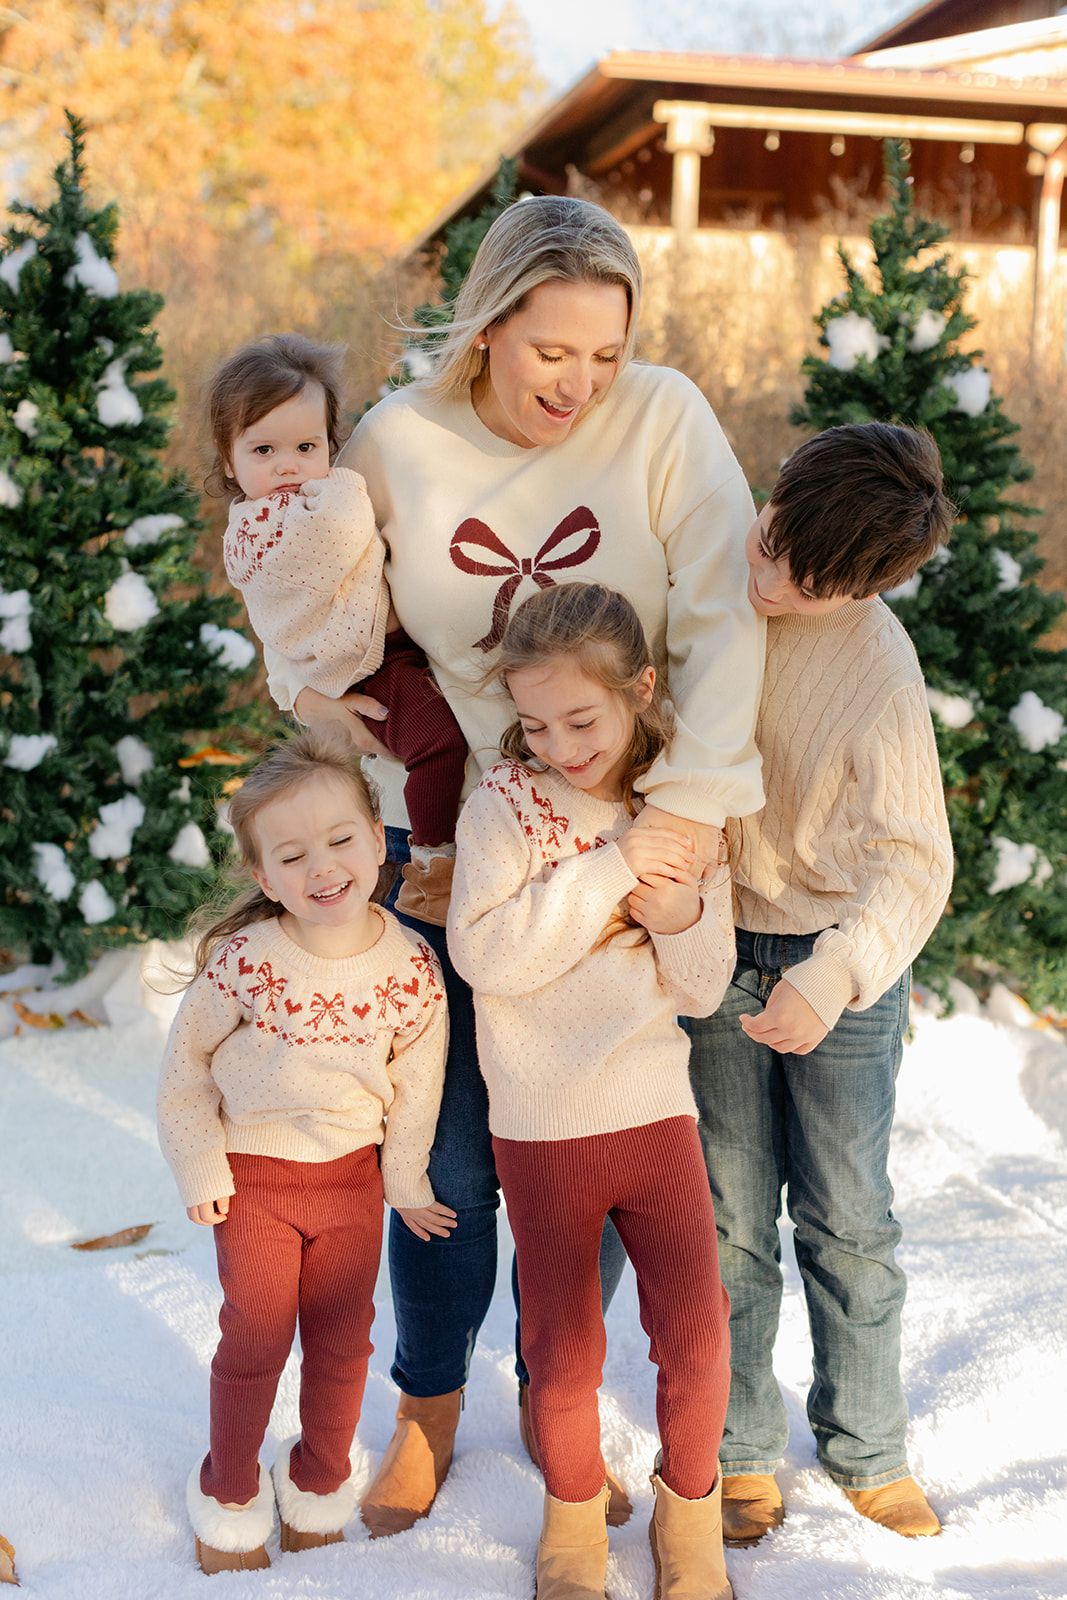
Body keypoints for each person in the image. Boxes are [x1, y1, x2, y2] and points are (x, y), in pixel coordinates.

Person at [260, 194, 765, 1537]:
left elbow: (717, 620)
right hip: (455, 848)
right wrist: (300, 685)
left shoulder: (661, 420)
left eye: (603, 356)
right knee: (446, 1155)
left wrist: (690, 818)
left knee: (604, 1148)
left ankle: (560, 1390)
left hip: (627, 833)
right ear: (486, 326)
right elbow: (312, 593)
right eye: (552, 352)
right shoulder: (396, 443)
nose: (579, 385)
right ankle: (427, 1404)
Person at [685, 422, 955, 1547]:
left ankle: (866, 1443)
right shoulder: (708, 583)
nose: (767, 576)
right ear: (778, 480)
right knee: (726, 1217)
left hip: (836, 957)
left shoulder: (876, 668)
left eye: (801, 579)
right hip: (710, 953)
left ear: (865, 586)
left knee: (844, 1218)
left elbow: (914, 863)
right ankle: (739, 1448)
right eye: (769, 538)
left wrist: (831, 976)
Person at [448, 583, 735, 1600]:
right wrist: (607, 869)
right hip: (541, 1125)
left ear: (639, 690)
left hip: (654, 1113)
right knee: (561, 1352)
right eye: (534, 724)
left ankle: (687, 1516)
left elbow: (702, 984)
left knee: (696, 1333)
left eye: (582, 719)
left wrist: (681, 909)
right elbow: (487, 955)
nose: (561, 745)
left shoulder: (680, 812)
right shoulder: (504, 808)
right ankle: (570, 1519)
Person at [156, 732, 451, 1573]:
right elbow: (184, 1074)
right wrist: (202, 1166)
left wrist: (404, 1180)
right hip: (254, 1181)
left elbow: (415, 1085)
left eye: (341, 839)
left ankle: (318, 1480)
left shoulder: (411, 966)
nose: (322, 867)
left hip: (351, 1184)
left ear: (376, 832)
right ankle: (227, 1493)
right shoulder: (248, 963)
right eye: (291, 855)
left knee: (341, 1339)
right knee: (255, 1336)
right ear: (263, 878)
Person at [209, 334, 468, 925]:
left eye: (307, 445)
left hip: (382, 653)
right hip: (368, 666)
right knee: (437, 742)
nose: (288, 465)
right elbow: (343, 534)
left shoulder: (298, 505)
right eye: (263, 449)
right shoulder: (267, 531)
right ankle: (433, 863)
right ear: (229, 460)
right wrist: (344, 486)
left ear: (332, 443)